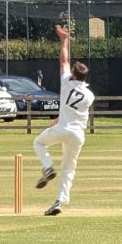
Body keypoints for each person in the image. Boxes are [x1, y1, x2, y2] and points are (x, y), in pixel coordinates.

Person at [33, 25, 95, 216]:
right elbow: (77, 111)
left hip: (63, 128)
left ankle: (48, 167)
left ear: (74, 75)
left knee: (38, 142)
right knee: (68, 169)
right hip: (77, 135)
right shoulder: (90, 95)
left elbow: (64, 59)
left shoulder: (66, 82)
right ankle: (59, 201)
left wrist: (64, 39)